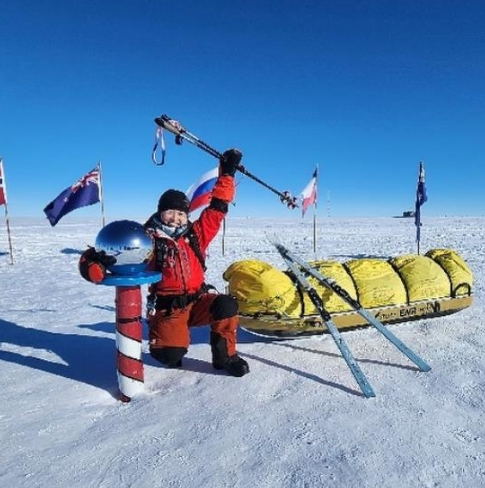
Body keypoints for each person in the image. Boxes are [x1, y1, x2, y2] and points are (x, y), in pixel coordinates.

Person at [143, 148, 249, 377]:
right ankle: (167, 338)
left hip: (198, 301)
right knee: (170, 354)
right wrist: (94, 262)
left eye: (181, 213)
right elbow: (119, 254)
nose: (175, 217)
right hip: (168, 308)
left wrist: (227, 174)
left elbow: (217, 208)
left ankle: (225, 358)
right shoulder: (147, 238)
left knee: (226, 305)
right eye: (169, 212)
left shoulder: (195, 234)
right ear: (160, 213)